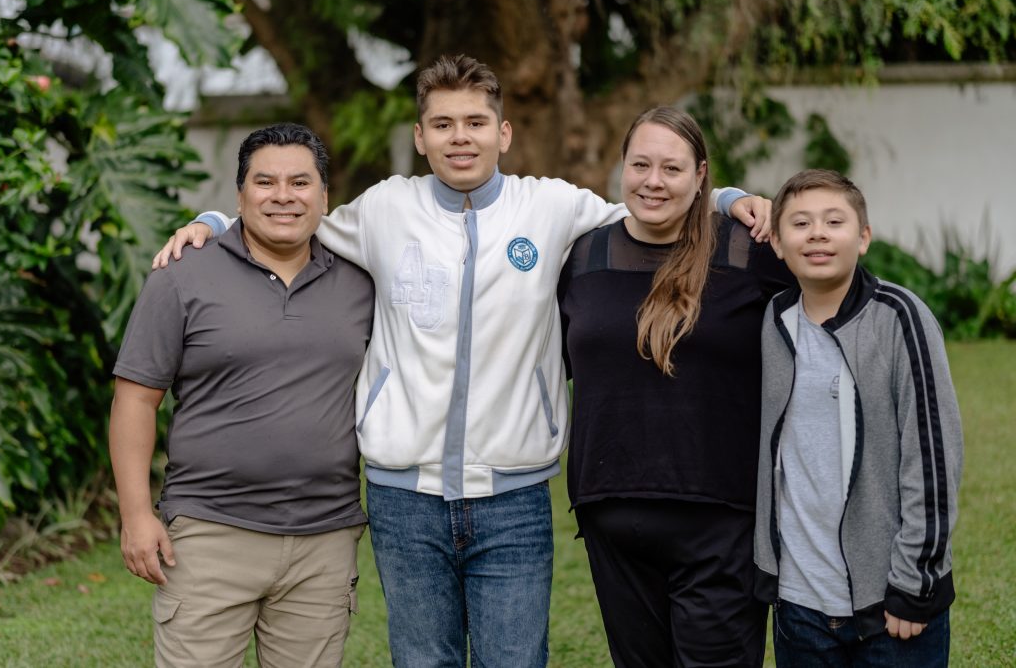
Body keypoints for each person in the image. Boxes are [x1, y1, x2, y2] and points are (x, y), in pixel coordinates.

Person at [151, 55, 770, 667]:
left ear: (504, 133)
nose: (460, 137)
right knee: (423, 660)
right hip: (403, 497)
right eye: (442, 124)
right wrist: (211, 222)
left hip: (515, 496)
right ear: (420, 137)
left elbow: (650, 204)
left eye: (476, 122)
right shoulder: (385, 209)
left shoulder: (551, 208)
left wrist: (727, 198)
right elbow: (294, 218)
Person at [109, 123, 374, 667]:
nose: (283, 196)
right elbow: (135, 399)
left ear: (325, 196)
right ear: (239, 196)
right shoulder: (182, 275)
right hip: (209, 534)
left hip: (324, 539)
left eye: (300, 182)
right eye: (265, 182)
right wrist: (135, 515)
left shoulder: (361, 278)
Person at [558, 106, 793, 667]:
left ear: (701, 174)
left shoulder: (748, 250)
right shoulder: (584, 256)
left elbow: (827, 308)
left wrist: (733, 201)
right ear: (622, 168)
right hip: (612, 515)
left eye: (672, 168)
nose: (654, 181)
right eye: (640, 165)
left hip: (721, 517)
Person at [754, 169, 963, 667]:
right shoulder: (774, 319)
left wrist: (914, 583)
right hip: (799, 603)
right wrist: (729, 200)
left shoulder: (900, 317)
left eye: (834, 221)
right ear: (777, 243)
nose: (818, 234)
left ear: (863, 237)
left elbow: (933, 457)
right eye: (800, 223)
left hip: (888, 603)